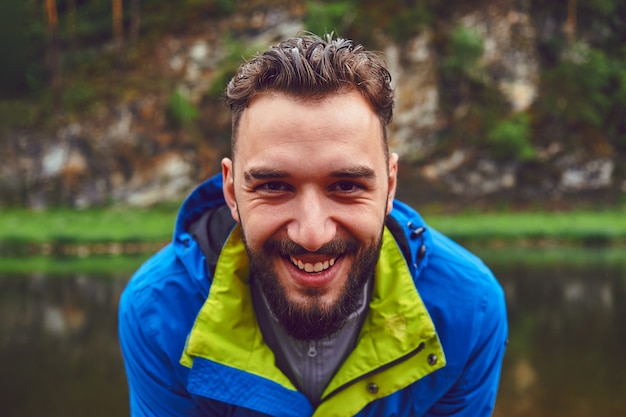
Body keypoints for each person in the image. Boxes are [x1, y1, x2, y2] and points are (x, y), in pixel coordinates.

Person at [118, 33, 508, 417]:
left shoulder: (468, 308)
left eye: (346, 186)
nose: (312, 234)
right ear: (232, 190)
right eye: (273, 186)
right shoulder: (159, 312)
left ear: (389, 186)